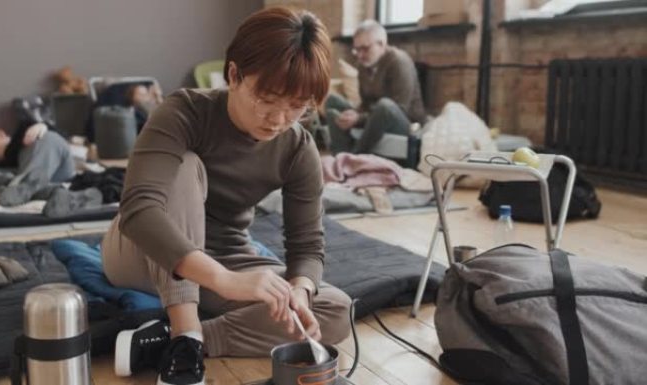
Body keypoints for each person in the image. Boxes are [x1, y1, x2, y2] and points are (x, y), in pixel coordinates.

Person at [101, 7, 352, 385]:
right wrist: (223, 280)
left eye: (297, 107)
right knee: (186, 166)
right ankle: (184, 336)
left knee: (334, 309)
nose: (279, 119)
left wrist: (300, 290)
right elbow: (139, 210)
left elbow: (307, 246)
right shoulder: (185, 111)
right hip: (140, 250)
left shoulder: (298, 148)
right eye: (267, 98)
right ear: (234, 75)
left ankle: (185, 341)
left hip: (226, 254)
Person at [326, 19, 428, 155]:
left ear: (382, 44)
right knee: (332, 101)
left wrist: (359, 118)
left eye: (365, 49)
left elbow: (398, 109)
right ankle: (341, 153)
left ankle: (356, 154)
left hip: (407, 123)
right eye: (357, 49)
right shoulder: (363, 65)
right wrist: (356, 113)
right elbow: (366, 103)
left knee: (384, 106)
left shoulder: (399, 62)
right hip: (374, 117)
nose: (360, 55)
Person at [0, 121, 102, 216]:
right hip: (47, 182)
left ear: (0, 134)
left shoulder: (23, 130)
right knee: (15, 184)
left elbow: (62, 135)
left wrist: (42, 125)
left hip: (58, 166)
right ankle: (72, 197)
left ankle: (29, 183)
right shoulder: (3, 165)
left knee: (48, 138)